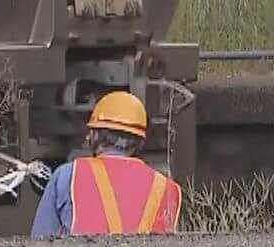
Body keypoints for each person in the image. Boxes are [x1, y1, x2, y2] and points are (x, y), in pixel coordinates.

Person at [30, 90, 181, 238]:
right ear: (140, 143)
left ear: (94, 136)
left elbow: (40, 243)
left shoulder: (68, 176)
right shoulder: (167, 189)